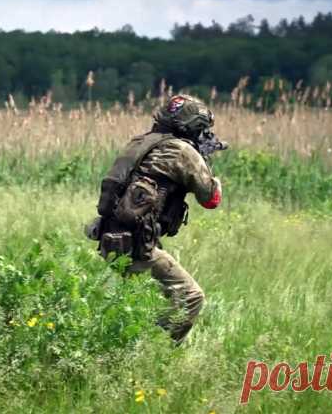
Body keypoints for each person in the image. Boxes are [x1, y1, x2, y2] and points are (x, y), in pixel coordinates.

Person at [85, 94, 226, 343]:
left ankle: (123, 343)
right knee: (191, 297)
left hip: (111, 240)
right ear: (191, 126)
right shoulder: (182, 150)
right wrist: (208, 167)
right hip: (139, 246)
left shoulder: (141, 142)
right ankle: (151, 348)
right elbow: (211, 199)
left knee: (139, 303)